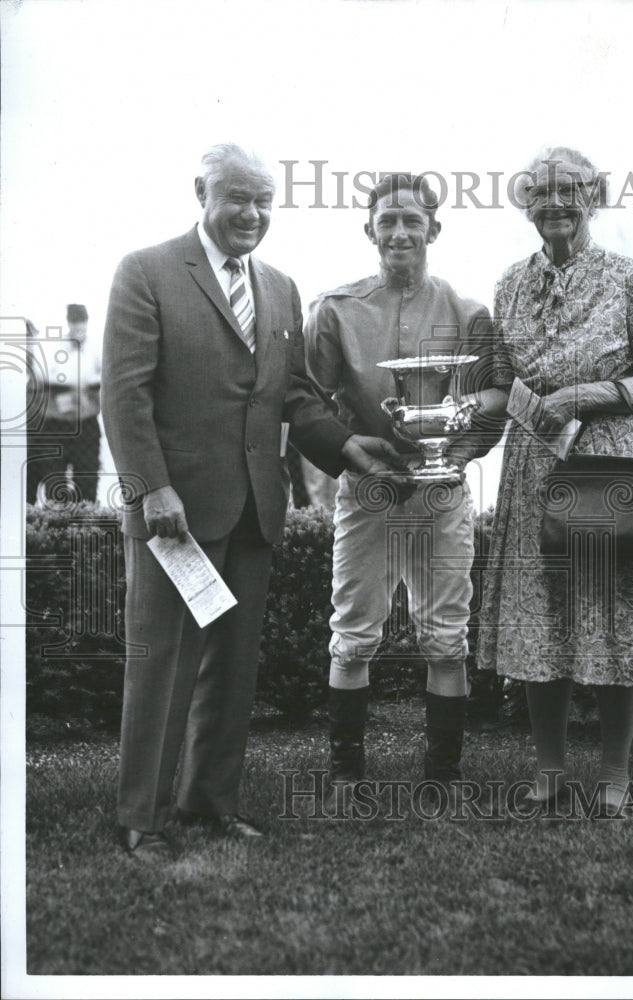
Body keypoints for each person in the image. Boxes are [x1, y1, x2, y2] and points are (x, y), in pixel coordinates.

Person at [102, 143, 403, 858]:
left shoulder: (280, 286)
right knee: (163, 663)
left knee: (232, 667)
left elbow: (292, 392)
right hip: (173, 510)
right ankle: (140, 817)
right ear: (201, 192)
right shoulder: (146, 271)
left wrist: (346, 448)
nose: (253, 213)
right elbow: (125, 395)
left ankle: (209, 803)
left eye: (265, 200)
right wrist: (153, 489)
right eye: (238, 197)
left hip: (253, 509)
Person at [473, 147, 633, 815]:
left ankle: (615, 773)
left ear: (594, 199)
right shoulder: (509, 283)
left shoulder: (628, 278)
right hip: (534, 465)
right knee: (544, 620)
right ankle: (549, 768)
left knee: (612, 615)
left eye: (570, 191)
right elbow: (499, 383)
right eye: (541, 193)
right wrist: (450, 436)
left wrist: (585, 395)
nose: (555, 203)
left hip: (607, 463)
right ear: (526, 206)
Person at [304, 173, 499, 799]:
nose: (399, 232)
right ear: (369, 231)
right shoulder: (334, 309)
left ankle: (442, 776)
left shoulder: (470, 313)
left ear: (434, 230)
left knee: (446, 636)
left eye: (412, 221)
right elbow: (308, 400)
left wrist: (459, 454)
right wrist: (352, 452)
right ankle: (345, 775)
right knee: (354, 629)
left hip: (441, 494)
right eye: (387, 221)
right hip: (369, 490)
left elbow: (490, 403)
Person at [26, 304, 102, 504]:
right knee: (55, 484)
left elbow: (104, 379)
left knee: (87, 482)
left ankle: (86, 526)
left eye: (82, 326)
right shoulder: (55, 347)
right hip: (55, 424)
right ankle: (56, 525)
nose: (79, 330)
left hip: (86, 424)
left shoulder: (96, 348)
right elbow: (41, 376)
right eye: (75, 325)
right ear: (69, 323)